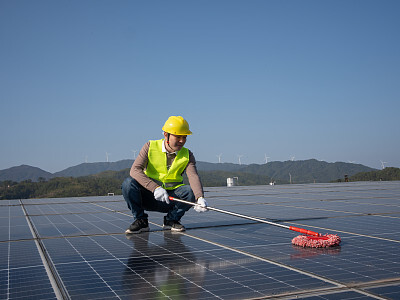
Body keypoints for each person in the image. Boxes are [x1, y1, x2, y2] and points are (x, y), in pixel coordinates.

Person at [122, 116, 208, 234]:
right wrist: (155, 188)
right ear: (166, 135)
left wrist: (200, 197)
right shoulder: (150, 146)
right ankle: (140, 220)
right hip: (149, 196)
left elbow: (193, 176)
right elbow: (135, 170)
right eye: (178, 136)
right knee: (128, 184)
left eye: (184, 137)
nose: (182, 141)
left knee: (191, 191)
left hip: (171, 198)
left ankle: (171, 220)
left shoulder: (187, 154)